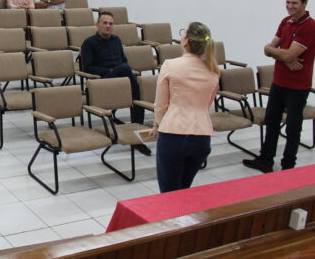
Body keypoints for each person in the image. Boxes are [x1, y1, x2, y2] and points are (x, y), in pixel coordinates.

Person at [243, 0, 315, 173]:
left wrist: (281, 54)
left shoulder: (310, 26)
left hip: (297, 86)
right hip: (279, 83)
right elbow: (268, 48)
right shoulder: (285, 21)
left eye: (294, 3)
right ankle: (266, 160)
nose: (289, 6)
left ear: (304, 3)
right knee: (271, 121)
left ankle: (288, 166)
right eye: (287, 2)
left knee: (293, 128)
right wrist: (281, 55)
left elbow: (284, 53)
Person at [152, 22, 220, 193]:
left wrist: (157, 125)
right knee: (184, 190)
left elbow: (161, 105)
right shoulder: (213, 71)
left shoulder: (170, 65)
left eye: (183, 32)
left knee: (169, 193)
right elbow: (207, 103)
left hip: (173, 134)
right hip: (202, 137)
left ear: (186, 42)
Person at [81, 11, 152, 156]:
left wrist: (120, 70)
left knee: (137, 96)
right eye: (105, 23)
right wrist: (111, 70)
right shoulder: (89, 43)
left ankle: (137, 137)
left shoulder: (116, 40)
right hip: (103, 81)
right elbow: (87, 68)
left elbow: (124, 60)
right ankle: (135, 91)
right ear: (97, 25)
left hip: (120, 79)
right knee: (128, 73)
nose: (108, 26)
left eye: (111, 23)